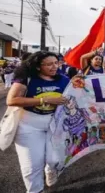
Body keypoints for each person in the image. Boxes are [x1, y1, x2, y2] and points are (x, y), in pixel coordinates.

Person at [6, 51, 69, 193]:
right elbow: (11, 100)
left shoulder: (64, 80)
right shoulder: (26, 79)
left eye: (56, 63)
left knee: (55, 160)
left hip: (55, 125)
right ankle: (35, 190)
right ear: (38, 66)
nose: (54, 67)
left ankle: (51, 170)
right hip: (29, 125)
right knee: (31, 166)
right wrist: (44, 100)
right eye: (49, 64)